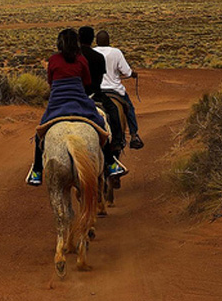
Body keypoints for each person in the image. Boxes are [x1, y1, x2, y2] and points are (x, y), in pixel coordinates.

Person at [26, 28, 127, 186]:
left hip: (57, 101)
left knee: (41, 131)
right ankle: (111, 163)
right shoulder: (81, 60)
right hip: (79, 99)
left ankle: (37, 171)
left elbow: (50, 81)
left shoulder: (53, 59)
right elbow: (86, 81)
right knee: (101, 125)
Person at [94, 30, 144, 149]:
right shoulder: (116, 52)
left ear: (96, 41)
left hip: (96, 90)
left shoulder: (92, 52)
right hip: (114, 89)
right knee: (129, 108)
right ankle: (133, 135)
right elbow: (126, 71)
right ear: (109, 41)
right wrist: (133, 74)